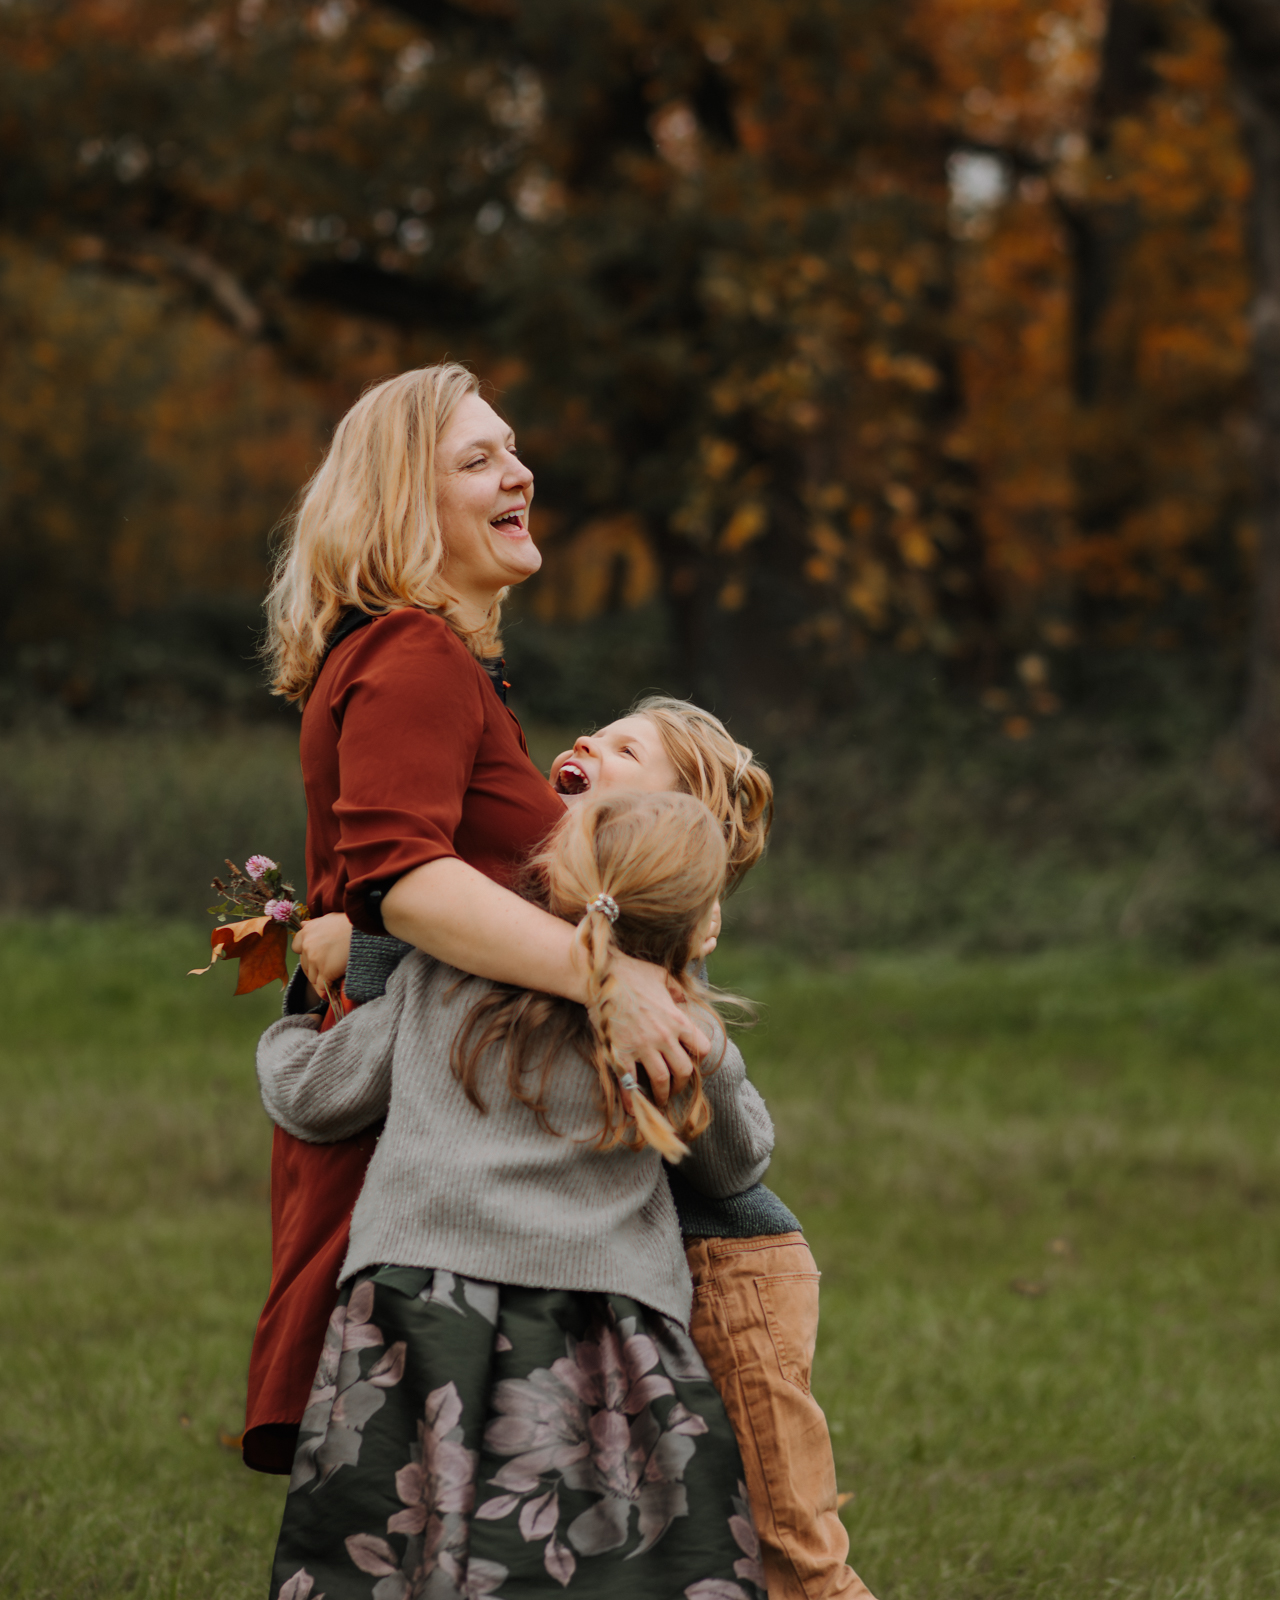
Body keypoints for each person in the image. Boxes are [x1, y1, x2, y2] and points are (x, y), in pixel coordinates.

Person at [297, 697, 877, 1600]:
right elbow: (736, 1147)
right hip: (610, 1307)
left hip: (713, 1272)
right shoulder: (652, 1001)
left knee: (792, 1557)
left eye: (624, 749)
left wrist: (349, 961)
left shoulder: (637, 994)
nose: (582, 747)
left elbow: (323, 1088)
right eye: (592, 737)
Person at [249, 363, 709, 1475]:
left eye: (512, 449)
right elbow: (406, 882)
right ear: (406, 504)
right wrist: (609, 974)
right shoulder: (412, 655)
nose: (520, 472)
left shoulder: (434, 663)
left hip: (469, 1127)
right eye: (478, 459)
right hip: (431, 1151)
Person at [257, 790, 776, 1599]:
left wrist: (299, 1016)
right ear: (698, 921)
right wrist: (707, 1042)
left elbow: (314, 1098)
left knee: (397, 1548)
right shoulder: (668, 1028)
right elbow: (735, 1164)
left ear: (547, 871)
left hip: (417, 1308)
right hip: (606, 1323)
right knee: (599, 1563)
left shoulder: (442, 976)